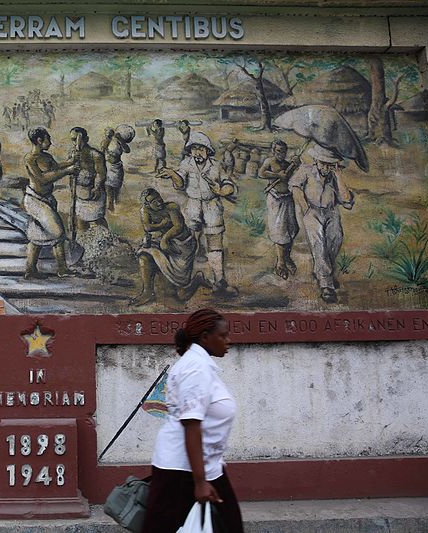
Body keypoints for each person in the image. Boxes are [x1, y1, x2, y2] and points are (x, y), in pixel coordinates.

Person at [143, 308, 244, 533]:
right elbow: (191, 424)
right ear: (205, 337)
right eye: (223, 335)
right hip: (183, 472)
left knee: (228, 525)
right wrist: (200, 482)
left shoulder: (201, 365)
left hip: (206, 466)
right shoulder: (195, 369)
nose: (229, 341)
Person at [158, 131, 237, 296]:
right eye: (194, 149)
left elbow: (230, 185)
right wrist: (173, 174)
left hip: (212, 206)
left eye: (201, 149)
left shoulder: (216, 166)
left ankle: (219, 281)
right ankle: (186, 281)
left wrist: (221, 191)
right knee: (189, 243)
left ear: (208, 151)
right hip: (193, 206)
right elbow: (180, 185)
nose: (197, 153)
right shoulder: (186, 164)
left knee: (214, 244)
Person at [290, 143, 355, 303]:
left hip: (331, 212)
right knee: (318, 243)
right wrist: (304, 207)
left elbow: (346, 199)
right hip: (312, 211)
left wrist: (338, 176)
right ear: (316, 160)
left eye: (330, 164)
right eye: (323, 163)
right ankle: (326, 284)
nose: (326, 167)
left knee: (336, 239)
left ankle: (324, 273)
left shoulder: (334, 176)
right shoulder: (306, 170)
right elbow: (295, 186)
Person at [23, 127, 77, 279]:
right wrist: (68, 171)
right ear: (39, 141)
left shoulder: (46, 157)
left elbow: (56, 167)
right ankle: (60, 268)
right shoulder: (30, 158)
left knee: (38, 234)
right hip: (35, 200)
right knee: (58, 232)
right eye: (48, 139)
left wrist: (70, 162)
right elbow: (42, 178)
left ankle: (33, 270)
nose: (50, 142)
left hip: (47, 199)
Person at [132, 188, 198, 306]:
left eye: (158, 198)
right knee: (144, 256)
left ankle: (197, 280)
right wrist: (162, 224)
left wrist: (165, 238)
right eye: (154, 201)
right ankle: (147, 292)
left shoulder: (171, 207)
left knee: (180, 294)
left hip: (182, 245)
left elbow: (178, 227)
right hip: (164, 241)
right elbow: (147, 227)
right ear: (147, 204)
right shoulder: (145, 210)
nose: (158, 202)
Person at [258, 139, 300, 279]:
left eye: (283, 151)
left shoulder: (288, 165)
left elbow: (295, 177)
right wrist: (277, 175)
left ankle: (287, 257)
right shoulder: (269, 162)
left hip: (288, 198)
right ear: (273, 151)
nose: (281, 154)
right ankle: (280, 263)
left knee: (292, 229)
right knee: (279, 231)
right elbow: (261, 173)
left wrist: (296, 165)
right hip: (275, 199)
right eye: (278, 151)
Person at [70, 126, 108, 232]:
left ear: (86, 139)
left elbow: (101, 173)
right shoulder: (73, 154)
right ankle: (84, 243)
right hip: (80, 193)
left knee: (97, 220)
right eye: (73, 140)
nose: (76, 142)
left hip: (94, 193)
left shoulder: (95, 155)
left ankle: (106, 240)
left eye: (78, 139)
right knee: (81, 221)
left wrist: (96, 187)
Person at [104, 125, 134, 213]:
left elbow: (127, 150)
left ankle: (117, 201)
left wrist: (120, 139)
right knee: (108, 186)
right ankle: (110, 205)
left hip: (116, 167)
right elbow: (103, 149)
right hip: (108, 166)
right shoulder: (107, 141)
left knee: (116, 187)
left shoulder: (120, 142)